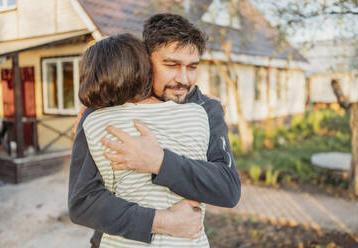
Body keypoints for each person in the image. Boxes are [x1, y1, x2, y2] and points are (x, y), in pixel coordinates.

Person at [68, 13, 241, 248]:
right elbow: (83, 203)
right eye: (171, 65)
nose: (183, 79)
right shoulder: (106, 106)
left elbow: (227, 189)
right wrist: (162, 221)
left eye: (192, 67)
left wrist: (159, 162)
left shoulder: (207, 109)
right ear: (146, 61)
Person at [80, 33, 210, 247]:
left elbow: (87, 199)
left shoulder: (93, 123)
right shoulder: (197, 114)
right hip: (189, 241)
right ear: (145, 69)